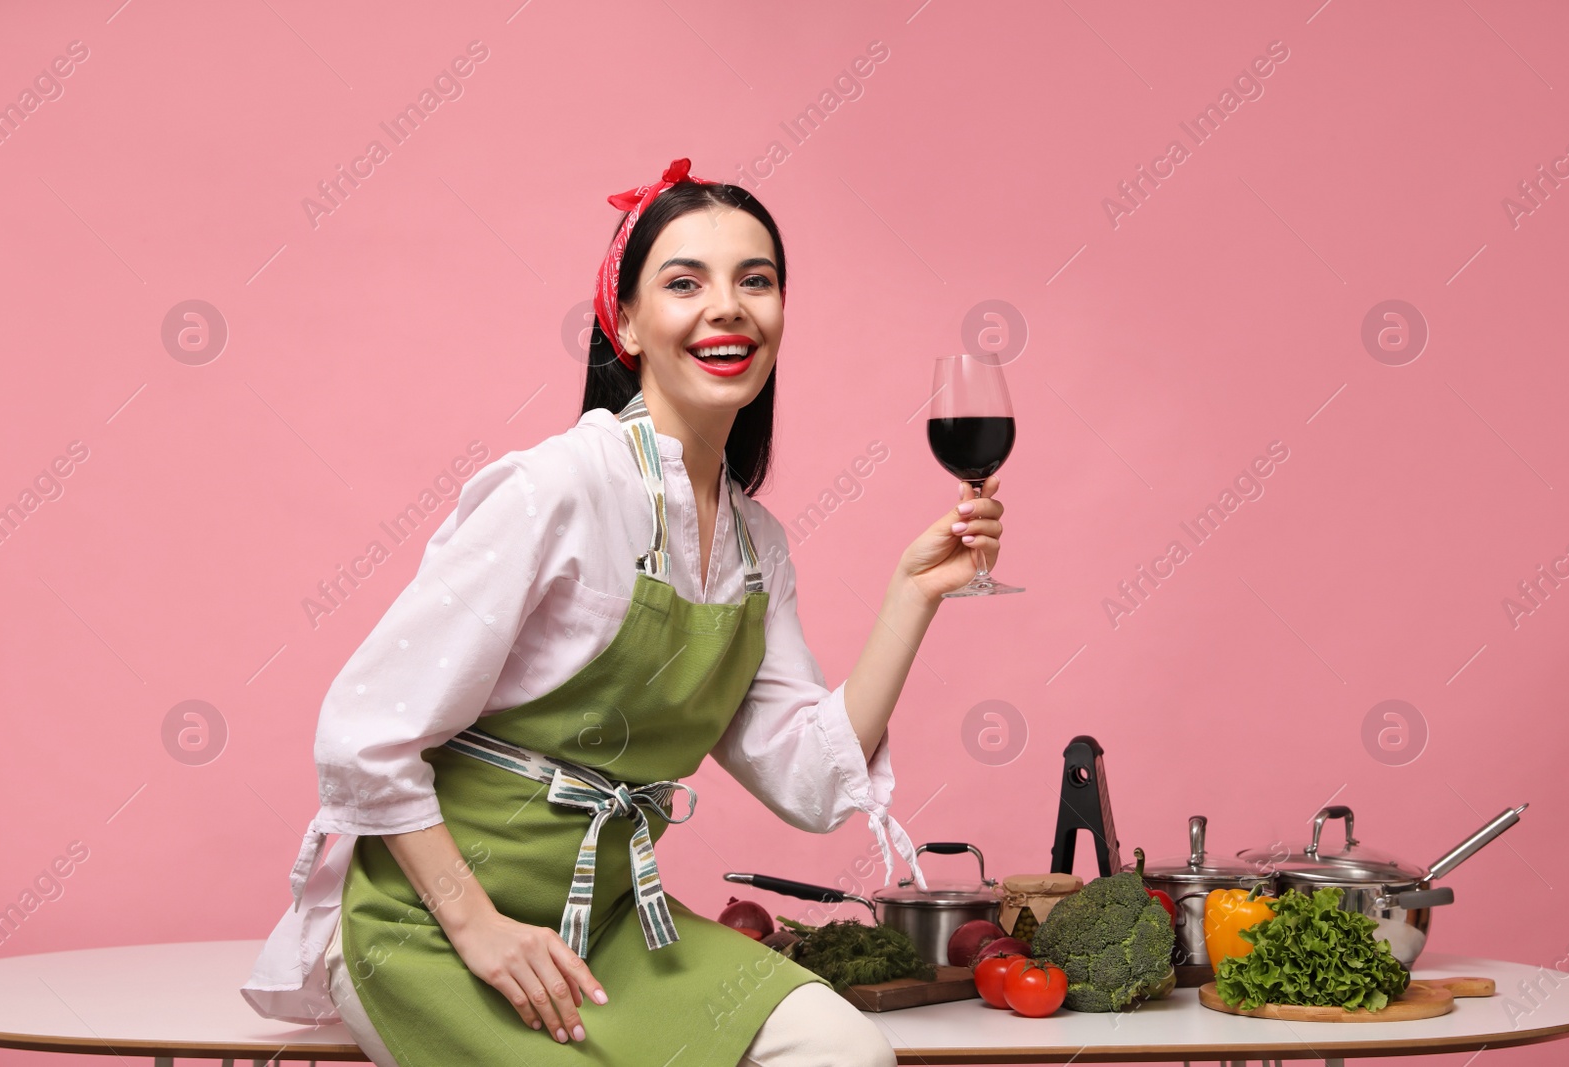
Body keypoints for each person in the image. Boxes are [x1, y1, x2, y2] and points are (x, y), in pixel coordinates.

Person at [240, 157, 1007, 1066]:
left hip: (608, 926)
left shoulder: (756, 547)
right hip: (438, 928)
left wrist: (912, 596)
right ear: (627, 322)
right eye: (685, 282)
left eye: (755, 281)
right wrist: (479, 927)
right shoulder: (555, 489)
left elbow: (804, 783)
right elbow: (362, 731)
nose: (728, 307)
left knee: (842, 1049)